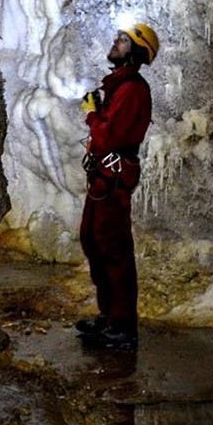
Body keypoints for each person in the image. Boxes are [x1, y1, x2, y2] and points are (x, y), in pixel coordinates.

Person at [76, 21, 159, 350]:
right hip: (103, 178)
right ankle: (110, 316)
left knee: (113, 249)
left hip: (113, 179)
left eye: (123, 41)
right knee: (93, 241)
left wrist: (93, 114)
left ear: (136, 51)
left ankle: (123, 326)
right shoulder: (118, 86)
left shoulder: (133, 89)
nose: (116, 42)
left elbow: (109, 135)